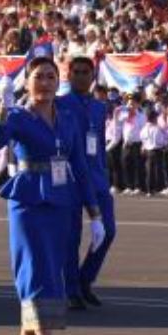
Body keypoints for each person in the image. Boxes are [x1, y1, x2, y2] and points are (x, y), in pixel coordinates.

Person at [0, 57, 105, 335]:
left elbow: (79, 165)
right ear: (27, 82)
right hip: (28, 202)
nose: (45, 82)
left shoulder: (67, 118)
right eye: (39, 76)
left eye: (51, 77)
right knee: (35, 276)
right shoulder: (18, 116)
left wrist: (94, 213)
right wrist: (1, 111)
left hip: (60, 201)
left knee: (51, 275)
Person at [58, 57, 116, 309]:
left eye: (86, 72)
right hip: (70, 177)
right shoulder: (59, 104)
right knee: (71, 237)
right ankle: (71, 289)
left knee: (108, 230)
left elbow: (100, 144)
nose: (81, 76)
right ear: (69, 75)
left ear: (93, 76)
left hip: (95, 176)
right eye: (77, 72)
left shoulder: (99, 107)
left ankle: (85, 279)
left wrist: (103, 171)